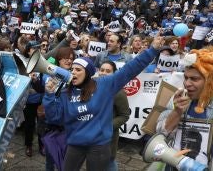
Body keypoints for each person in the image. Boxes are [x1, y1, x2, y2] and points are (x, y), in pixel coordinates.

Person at [43, 36, 163, 170]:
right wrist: (49, 95)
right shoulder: (66, 91)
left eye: (78, 69)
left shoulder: (104, 85)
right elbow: (55, 118)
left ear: (87, 73)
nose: (73, 72)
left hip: (98, 145)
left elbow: (130, 69)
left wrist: (152, 51)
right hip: (75, 144)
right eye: (72, 69)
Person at [156, 46, 213, 170]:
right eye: (186, 77)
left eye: (194, 79)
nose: (187, 83)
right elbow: (160, 134)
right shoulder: (179, 98)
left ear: (209, 81)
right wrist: (177, 111)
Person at [97, 61, 130, 171]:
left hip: (108, 138)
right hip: (92, 138)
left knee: (109, 163)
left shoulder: (118, 92)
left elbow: (124, 115)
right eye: (101, 70)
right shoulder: (92, 87)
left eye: (108, 71)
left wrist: (105, 126)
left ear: (114, 74)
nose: (103, 73)